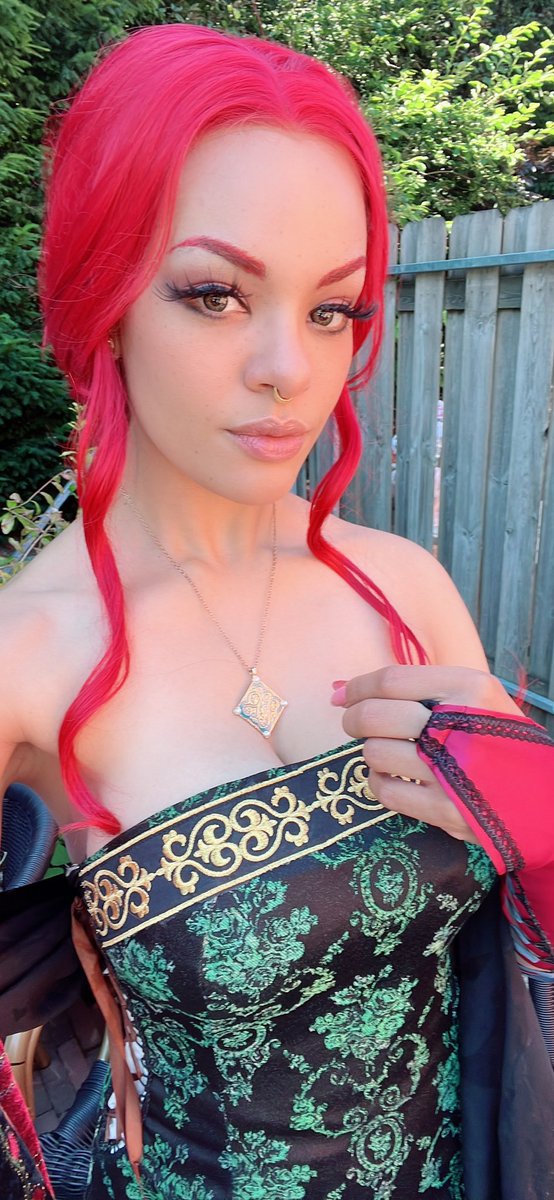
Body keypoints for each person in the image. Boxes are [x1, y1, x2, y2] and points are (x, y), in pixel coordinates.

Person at [0, 22, 553, 1200]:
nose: (287, 370)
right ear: (104, 295)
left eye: (329, 309)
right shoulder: (29, 656)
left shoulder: (401, 587)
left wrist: (541, 821)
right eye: (214, 295)